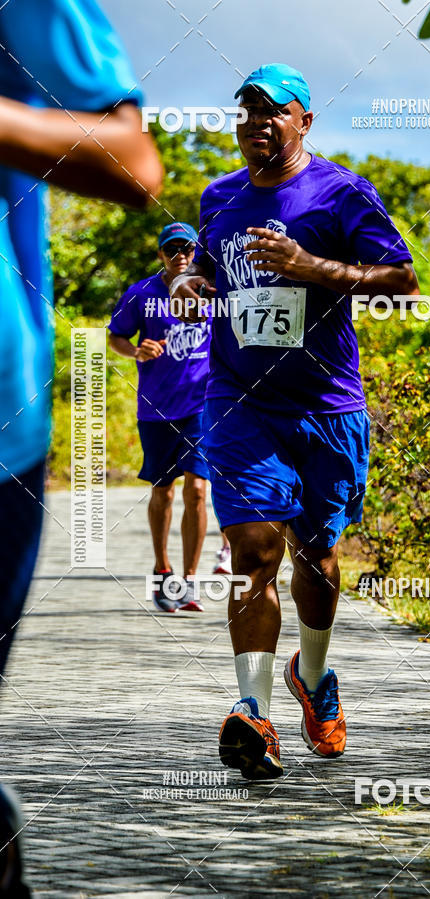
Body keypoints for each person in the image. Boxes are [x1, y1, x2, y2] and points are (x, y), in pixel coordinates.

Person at [171, 63, 419, 780]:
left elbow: (402, 281)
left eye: (273, 111)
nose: (257, 123)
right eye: (246, 112)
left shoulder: (342, 193)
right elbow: (207, 272)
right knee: (253, 551)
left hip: (327, 406)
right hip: (239, 401)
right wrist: (191, 284)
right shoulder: (218, 197)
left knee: (317, 558)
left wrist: (313, 266)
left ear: (304, 120)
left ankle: (311, 677)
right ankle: (253, 712)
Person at [0, 0, 162, 893]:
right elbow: (123, 341)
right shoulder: (145, 295)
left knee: (189, 494)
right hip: (161, 414)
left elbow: (131, 157)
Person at [108, 222, 231, 613]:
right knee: (163, 491)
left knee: (198, 490)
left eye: (188, 249)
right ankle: (163, 569)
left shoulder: (210, 291)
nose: (181, 255)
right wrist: (136, 351)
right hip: (157, 408)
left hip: (201, 406)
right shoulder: (141, 294)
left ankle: (190, 582)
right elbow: (116, 336)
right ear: (160, 254)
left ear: (196, 253)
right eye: (172, 249)